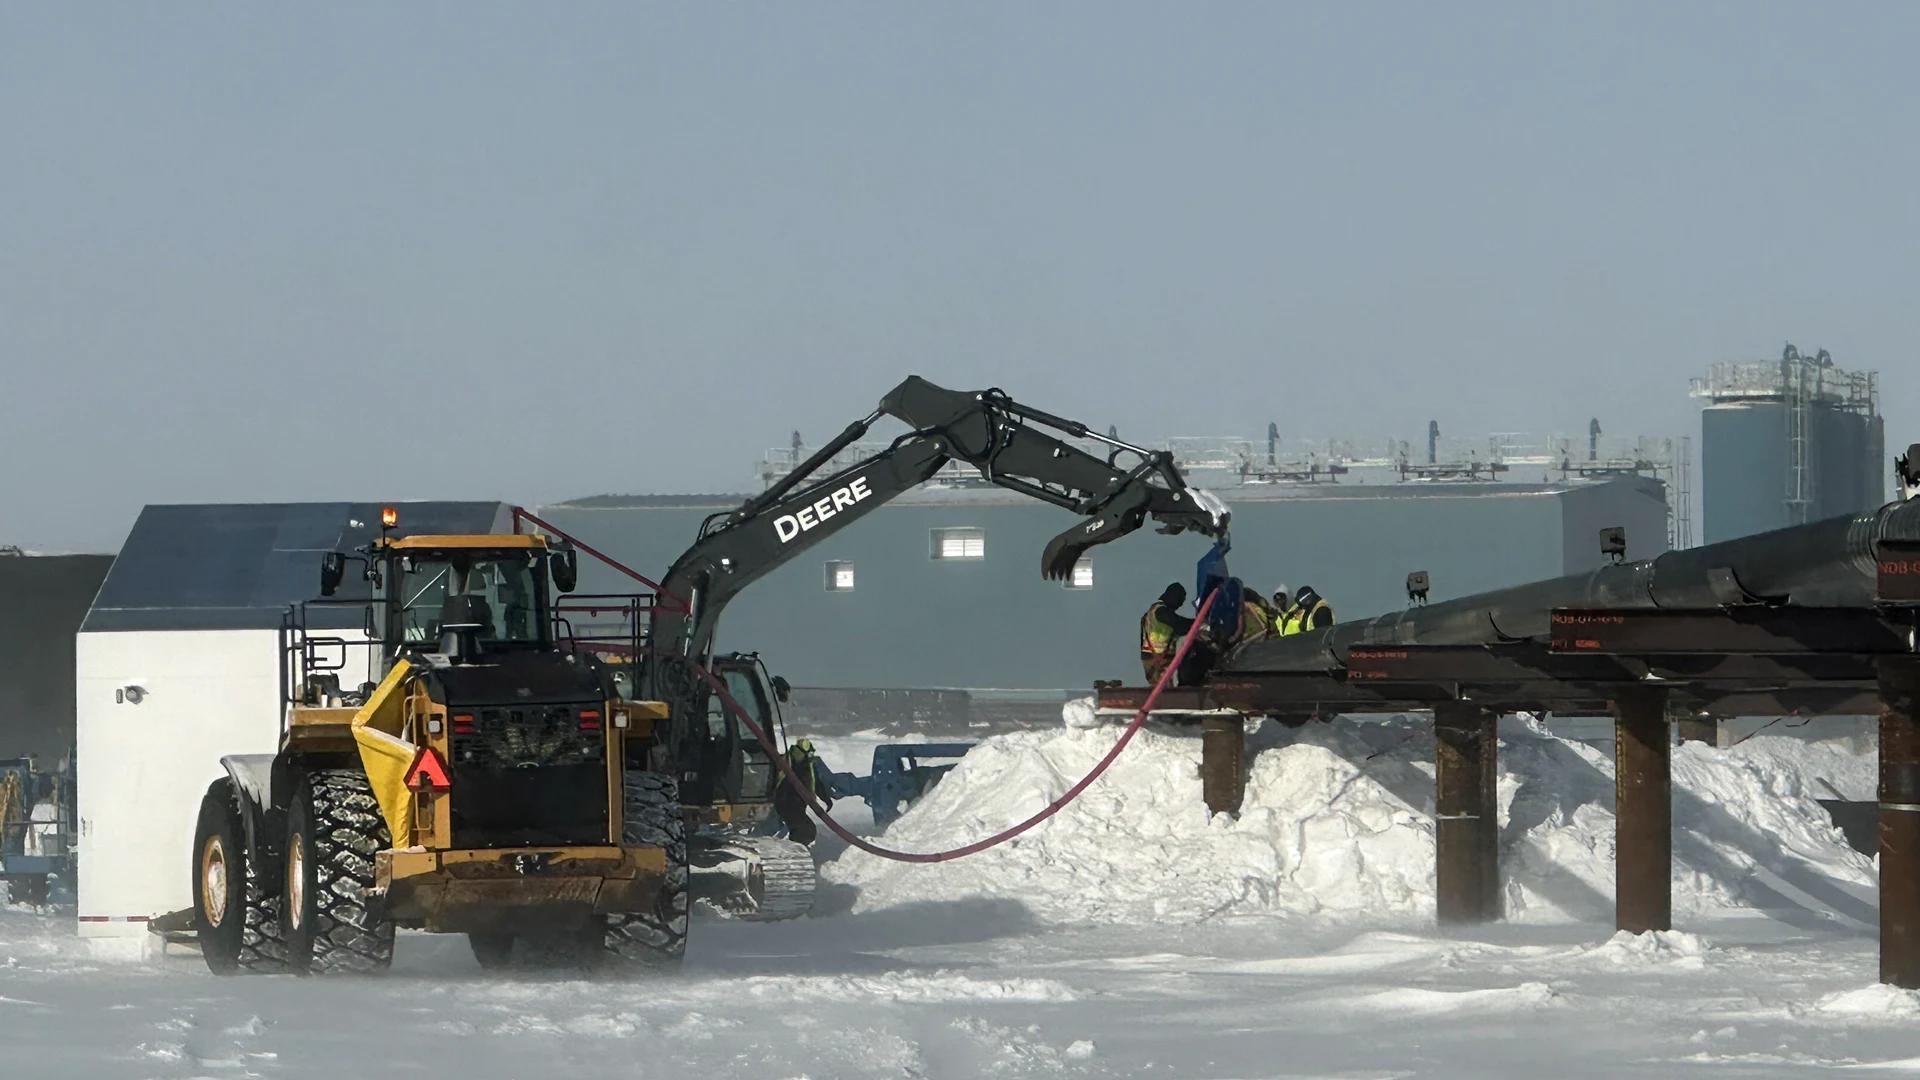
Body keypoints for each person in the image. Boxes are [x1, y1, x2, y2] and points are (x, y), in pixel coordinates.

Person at [772, 737, 835, 845]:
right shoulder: (790, 767)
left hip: (794, 805)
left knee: (804, 830)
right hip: (787, 805)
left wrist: (826, 799)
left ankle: (794, 848)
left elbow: (815, 782)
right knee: (806, 831)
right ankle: (794, 850)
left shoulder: (801, 764)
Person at [1140, 583, 1194, 683]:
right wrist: (1197, 622)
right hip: (1155, 657)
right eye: (1180, 600)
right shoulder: (1160, 611)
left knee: (1165, 687)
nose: (1180, 605)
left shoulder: (1163, 612)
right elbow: (1178, 624)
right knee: (1162, 689)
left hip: (1159, 657)